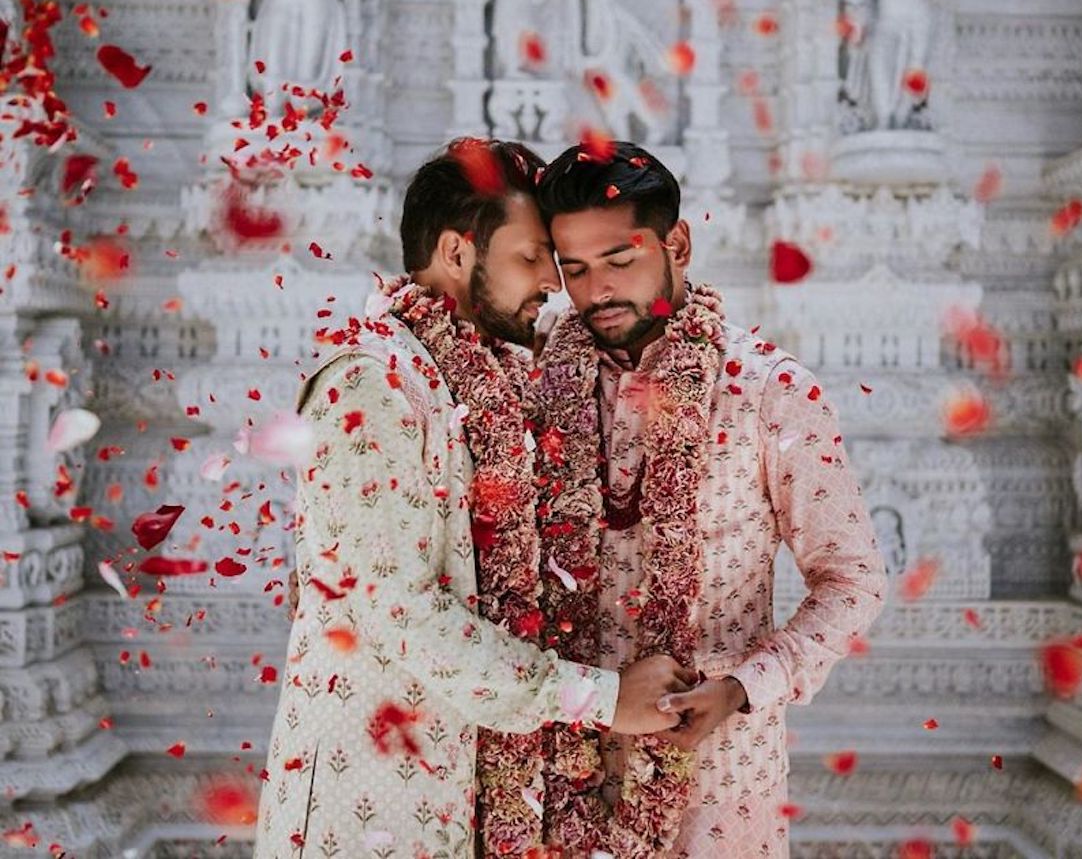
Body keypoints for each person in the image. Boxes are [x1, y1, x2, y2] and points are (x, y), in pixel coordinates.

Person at [254, 139, 695, 859]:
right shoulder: (370, 383)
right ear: (459, 253)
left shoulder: (473, 382)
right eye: (529, 258)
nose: (551, 287)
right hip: (369, 811)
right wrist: (603, 697)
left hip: (466, 800)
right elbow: (402, 611)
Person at [524, 140, 889, 856]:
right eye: (576, 269)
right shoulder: (537, 379)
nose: (596, 291)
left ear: (677, 242)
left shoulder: (770, 391)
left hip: (718, 780)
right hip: (558, 770)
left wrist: (744, 686)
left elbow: (854, 580)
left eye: (619, 260)